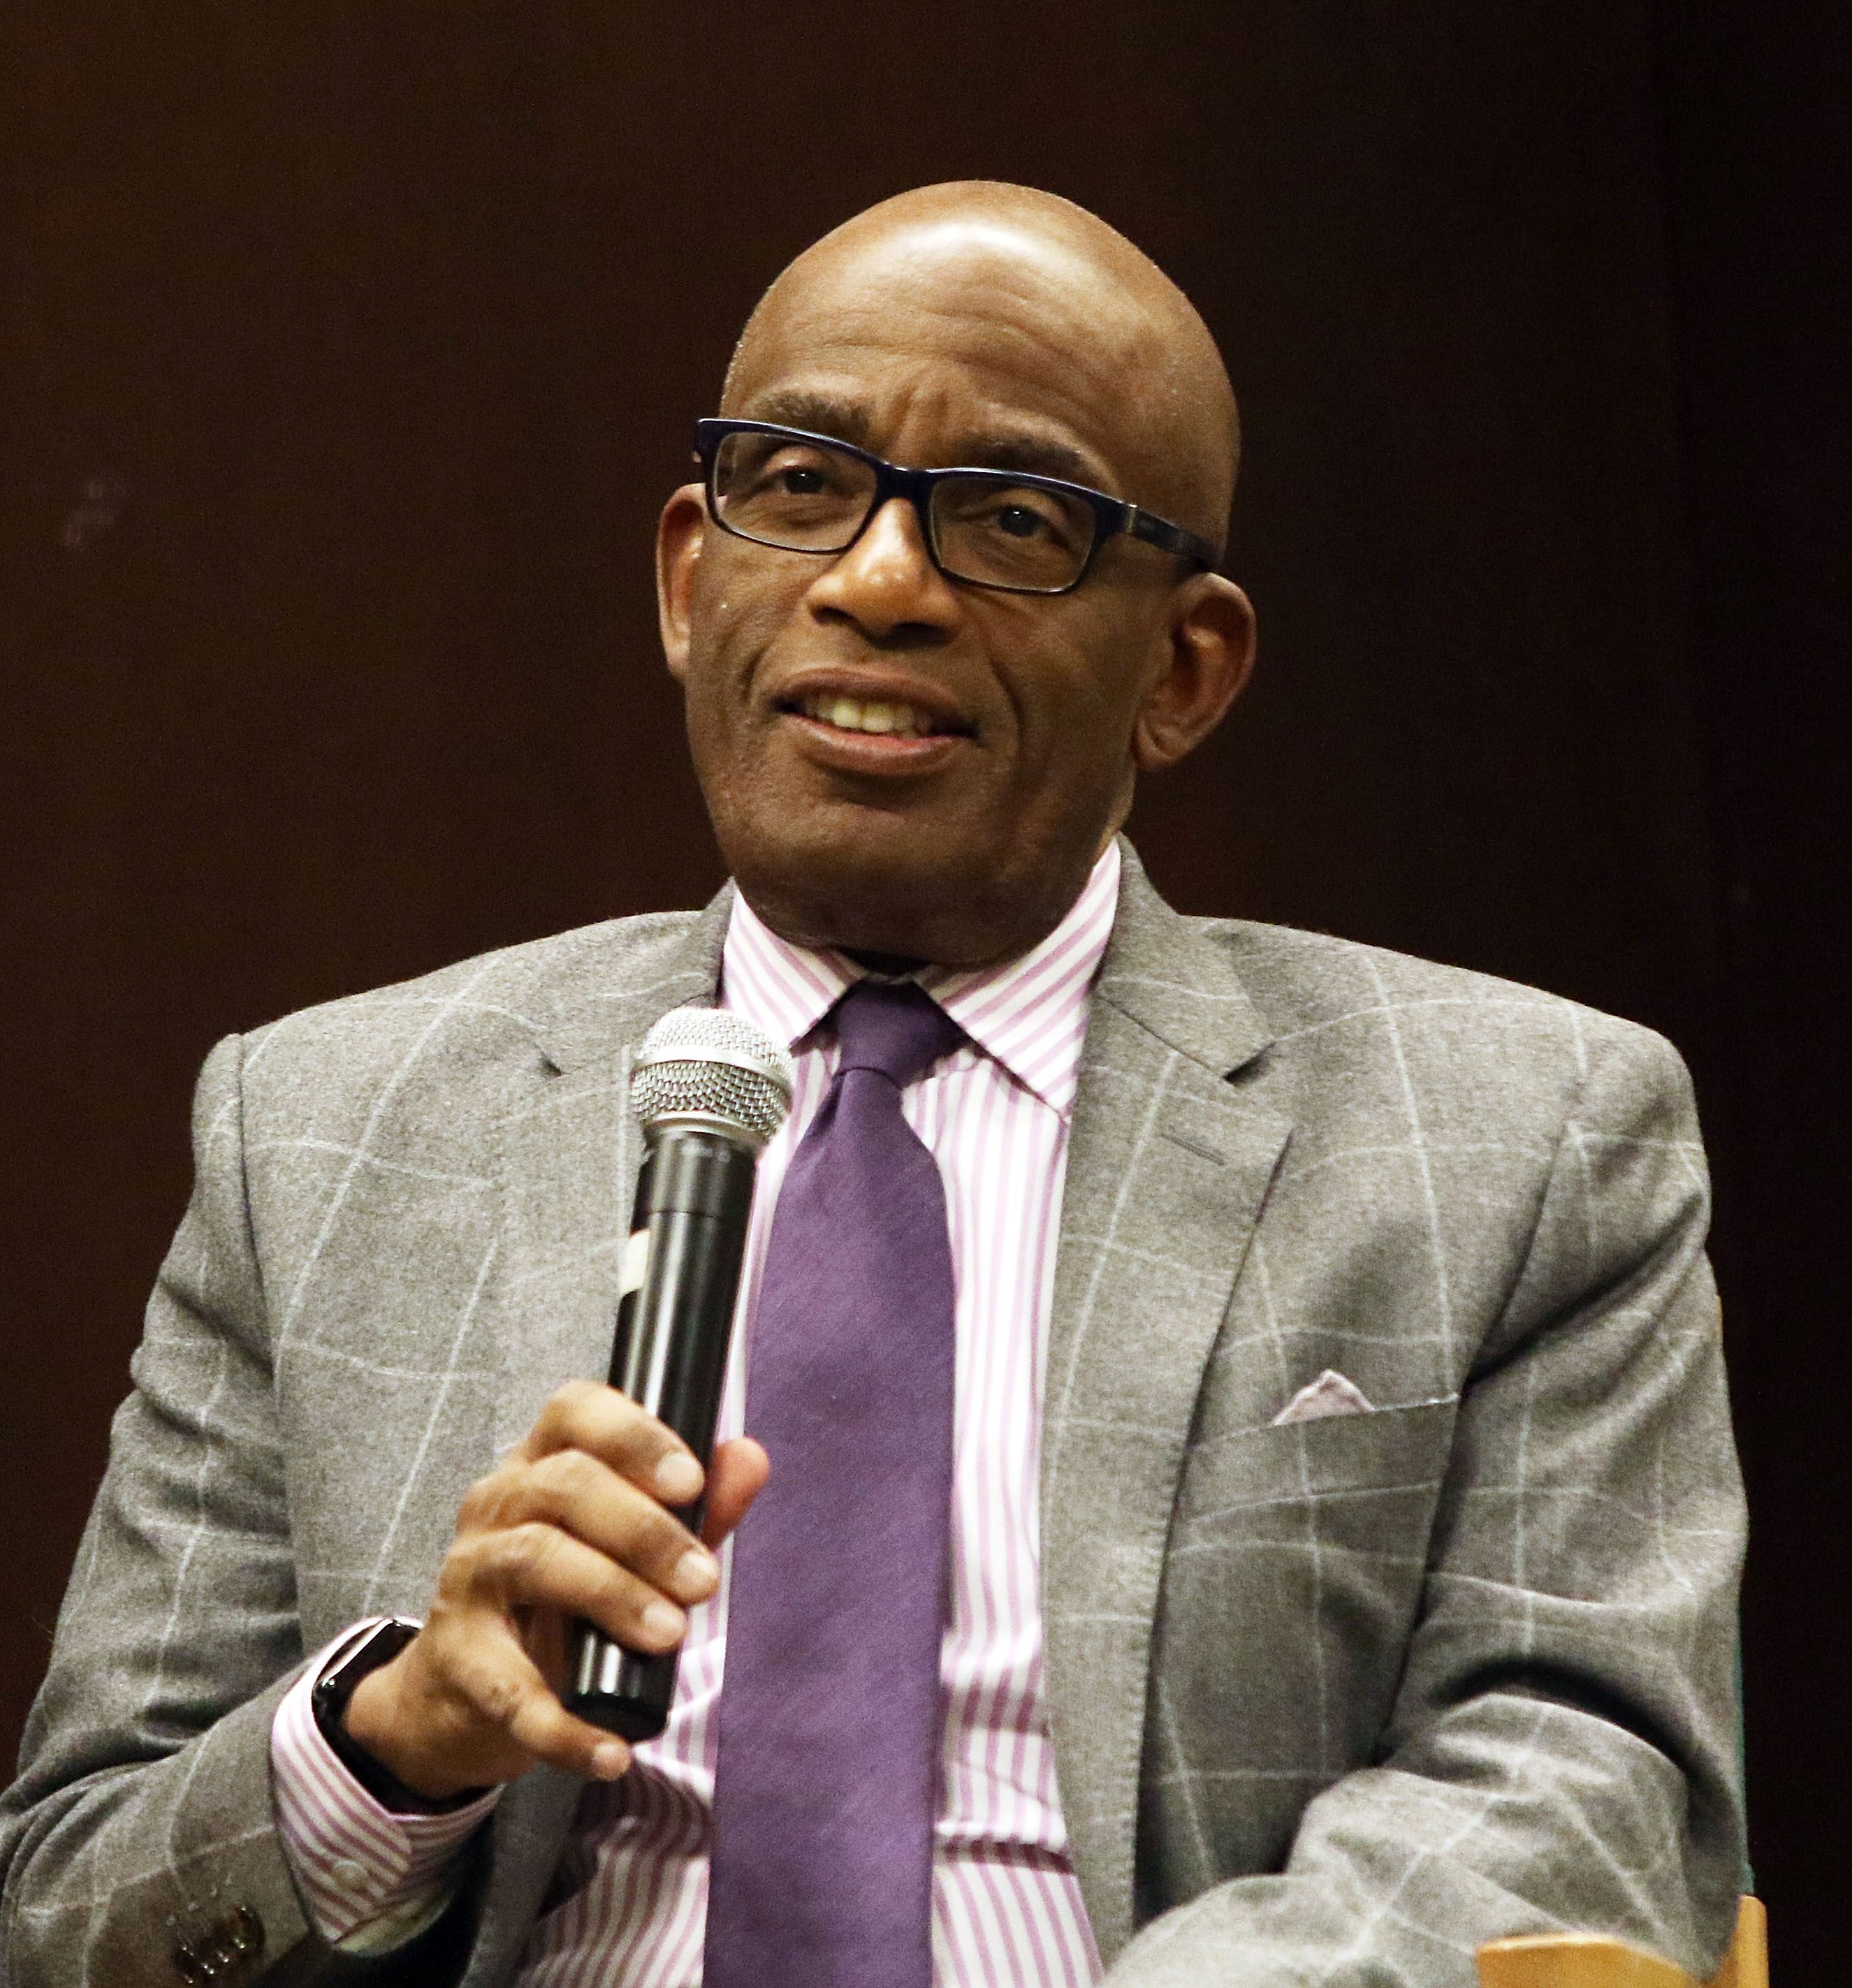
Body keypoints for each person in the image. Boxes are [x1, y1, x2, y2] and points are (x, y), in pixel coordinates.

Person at [0, 183, 1745, 1988]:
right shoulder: (322, 1129)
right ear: (691, 580)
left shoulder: (1522, 1135)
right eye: (801, 485)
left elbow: (1586, 1788)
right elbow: (67, 1910)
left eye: (1010, 517)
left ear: (1183, 667)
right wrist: (397, 1737)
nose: (878, 580)